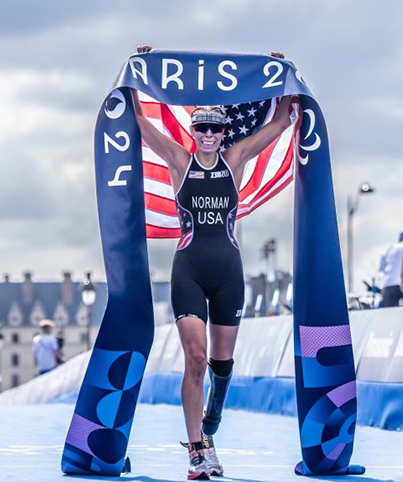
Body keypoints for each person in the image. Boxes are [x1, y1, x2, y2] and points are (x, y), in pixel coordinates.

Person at [131, 45, 294, 480]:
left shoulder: (234, 159)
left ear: (223, 133)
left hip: (228, 274)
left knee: (221, 366)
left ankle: (213, 414)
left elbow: (280, 122)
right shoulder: (179, 161)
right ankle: (198, 452)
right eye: (201, 126)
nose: (208, 134)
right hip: (188, 271)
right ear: (193, 131)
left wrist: (279, 76)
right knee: (196, 359)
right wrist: (137, 71)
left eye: (214, 128)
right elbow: (143, 123)